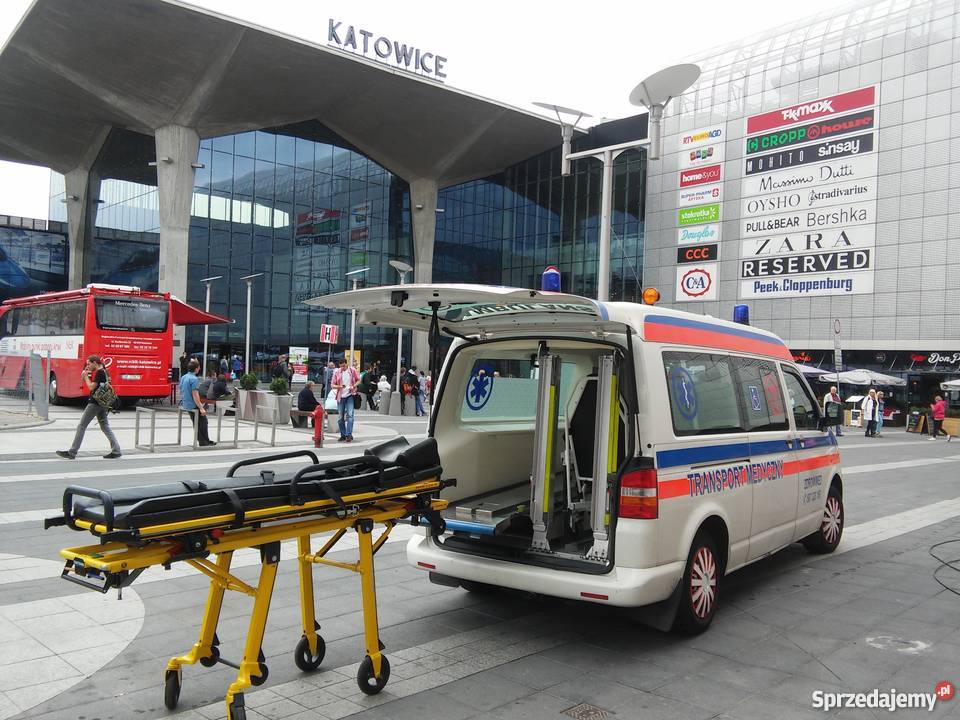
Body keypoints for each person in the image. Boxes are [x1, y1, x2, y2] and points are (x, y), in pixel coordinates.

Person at [57, 355, 122, 459]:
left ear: (95, 363)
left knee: (81, 426)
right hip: (103, 403)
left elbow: (91, 387)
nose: (88, 366)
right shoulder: (105, 371)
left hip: (95, 403)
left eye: (89, 364)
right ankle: (116, 450)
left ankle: (72, 452)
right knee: (105, 426)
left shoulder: (99, 372)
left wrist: (85, 377)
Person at [180, 359, 215, 447]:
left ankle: (205, 440)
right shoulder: (194, 379)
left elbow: (181, 389)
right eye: (199, 368)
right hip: (193, 404)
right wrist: (201, 407)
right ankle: (203, 442)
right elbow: (195, 394)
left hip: (186, 403)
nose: (199, 369)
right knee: (202, 422)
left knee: (198, 422)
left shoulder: (184, 377)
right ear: (196, 369)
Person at [332, 358, 360, 442]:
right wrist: (339, 386)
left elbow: (359, 380)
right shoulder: (337, 372)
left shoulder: (352, 370)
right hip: (340, 396)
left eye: (344, 366)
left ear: (346, 364)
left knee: (350, 415)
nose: (343, 368)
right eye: (341, 366)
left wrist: (353, 386)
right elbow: (332, 385)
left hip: (350, 395)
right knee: (340, 417)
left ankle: (349, 434)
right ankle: (343, 434)